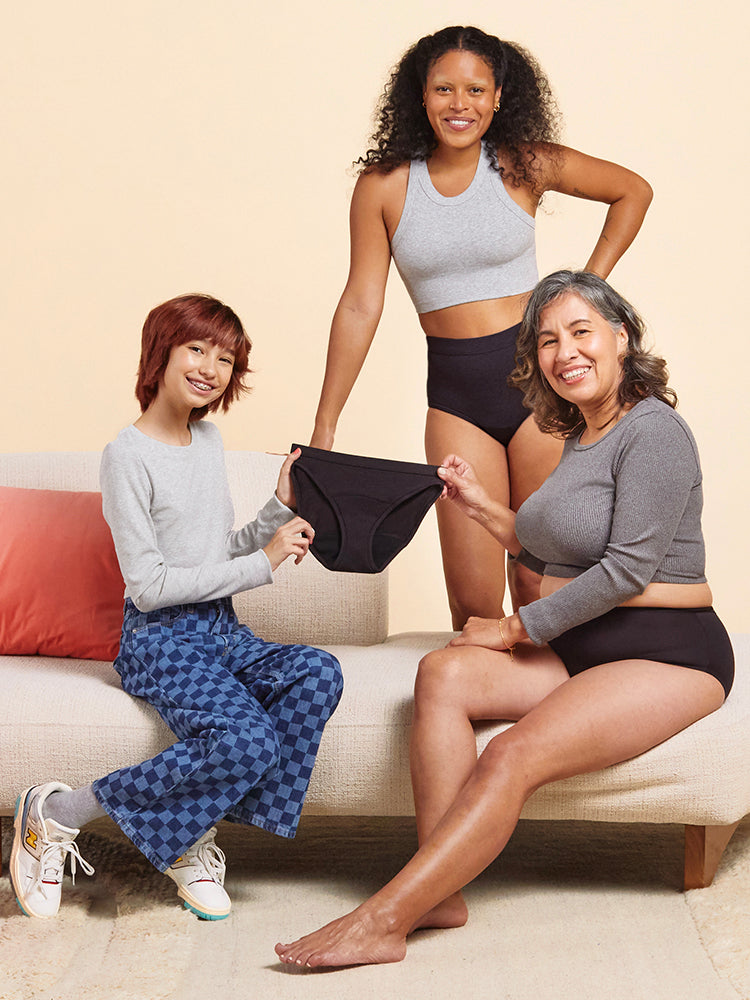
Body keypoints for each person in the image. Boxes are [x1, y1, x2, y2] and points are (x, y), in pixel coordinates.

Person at [275, 270, 734, 967]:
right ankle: (439, 892)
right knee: (443, 675)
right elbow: (545, 541)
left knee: (513, 753)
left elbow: (625, 572)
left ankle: (386, 918)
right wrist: (477, 503)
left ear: (621, 335)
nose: (564, 352)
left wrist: (514, 628)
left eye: (581, 331)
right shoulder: (583, 433)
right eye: (548, 340)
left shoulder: (655, 432)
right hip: (586, 644)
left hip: (666, 652)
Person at [11, 293, 343, 922]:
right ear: (160, 353)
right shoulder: (127, 455)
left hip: (221, 631)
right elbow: (152, 585)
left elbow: (213, 556)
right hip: (158, 640)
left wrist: (276, 512)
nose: (210, 368)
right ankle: (56, 815)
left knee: (317, 671)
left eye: (225, 358)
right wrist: (264, 562)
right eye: (197, 349)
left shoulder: (208, 440)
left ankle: (191, 827)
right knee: (246, 739)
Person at [309, 25, 653, 629]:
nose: (459, 104)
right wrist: (325, 425)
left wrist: (584, 296)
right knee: (473, 605)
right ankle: (490, 712)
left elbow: (633, 191)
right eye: (444, 88)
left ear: (499, 97)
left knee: (540, 579)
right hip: (455, 398)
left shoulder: (522, 163)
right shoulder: (384, 187)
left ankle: (557, 713)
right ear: (421, 96)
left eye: (475, 89)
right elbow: (362, 303)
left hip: (539, 386)